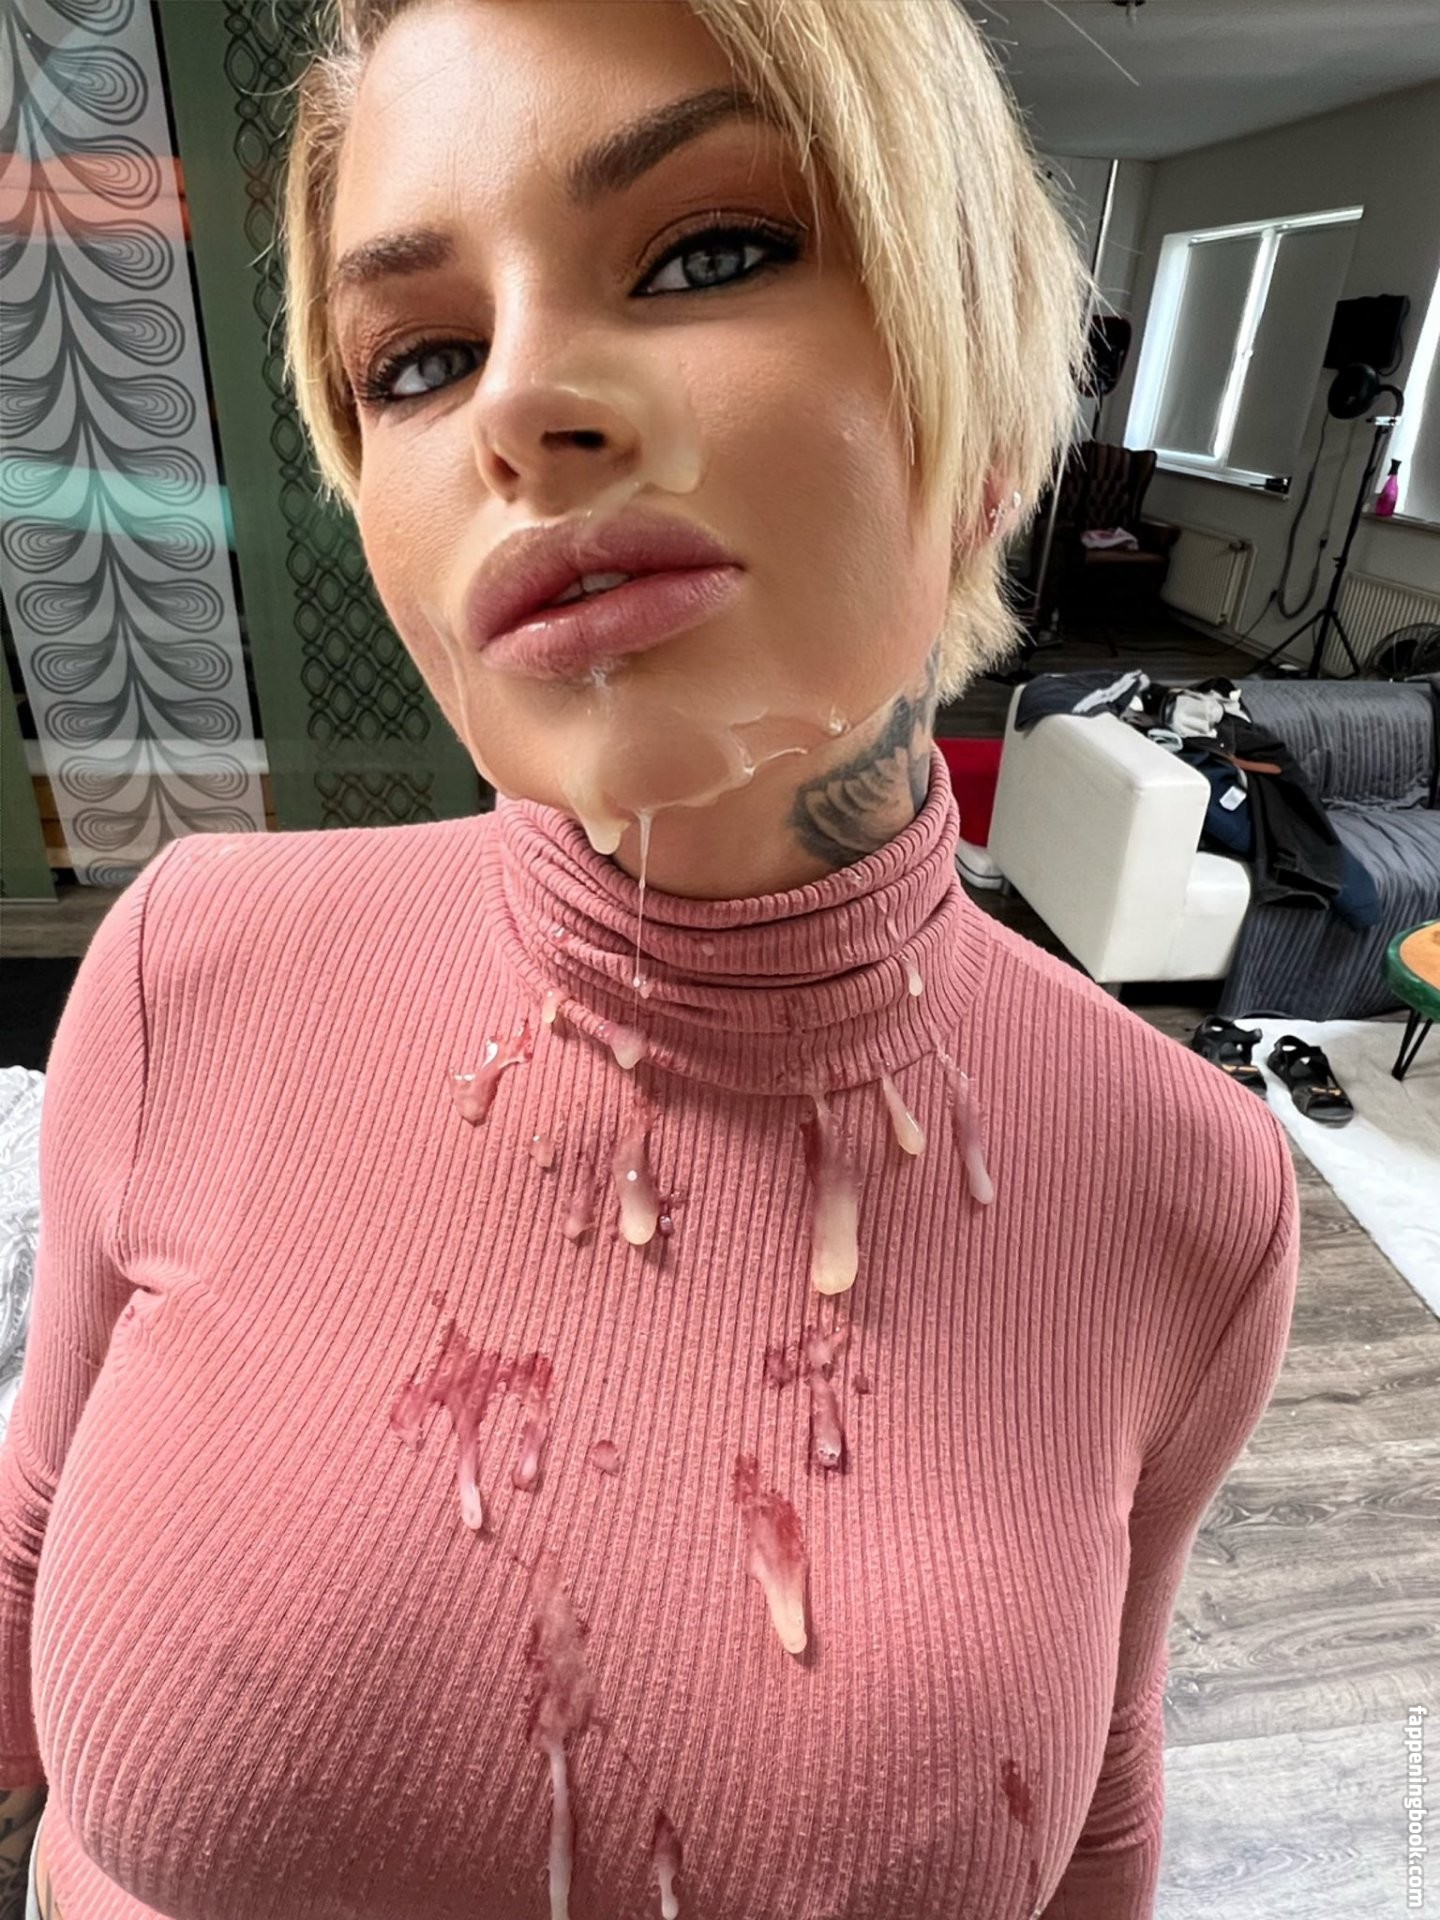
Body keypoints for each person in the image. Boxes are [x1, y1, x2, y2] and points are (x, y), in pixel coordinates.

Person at [0, 1, 1301, 1915]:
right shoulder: (193, 970)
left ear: (983, 389)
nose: (520, 405)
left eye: (712, 252)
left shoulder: (1190, 1190)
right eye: (419, 359)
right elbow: (29, 1541)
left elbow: (1103, 1775)